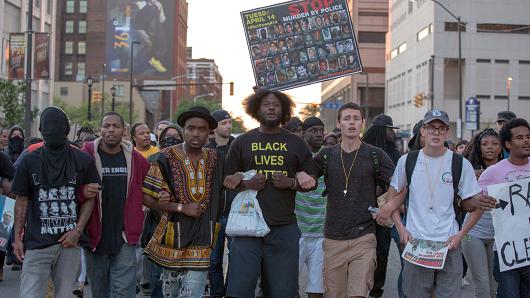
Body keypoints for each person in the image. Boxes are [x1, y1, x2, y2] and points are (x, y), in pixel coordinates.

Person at [375, 109, 497, 298]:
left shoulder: (459, 163)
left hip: (449, 245)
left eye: (441, 129)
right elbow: (392, 198)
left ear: (447, 132)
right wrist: (401, 228)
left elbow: (477, 205)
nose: (436, 133)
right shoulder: (408, 161)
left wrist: (460, 235)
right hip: (416, 243)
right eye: (431, 128)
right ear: (423, 131)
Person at [223, 90, 317, 297]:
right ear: (257, 109)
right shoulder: (242, 142)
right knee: (239, 289)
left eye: (276, 105)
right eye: (266, 104)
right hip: (246, 226)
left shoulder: (296, 143)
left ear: (284, 110)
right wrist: (247, 183)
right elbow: (226, 181)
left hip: (283, 227)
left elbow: (311, 182)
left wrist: (290, 182)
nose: (271, 108)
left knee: (283, 291)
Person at [11, 106, 101, 297]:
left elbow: (90, 198)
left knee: (65, 294)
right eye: (48, 127)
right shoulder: (29, 160)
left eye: (57, 127)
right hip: (36, 242)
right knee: (30, 294)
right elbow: (22, 200)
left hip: (70, 243)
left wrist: (77, 231)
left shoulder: (82, 160)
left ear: (66, 130)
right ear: (42, 131)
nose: (52, 131)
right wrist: (17, 237)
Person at [313, 103, 395, 298]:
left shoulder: (375, 154)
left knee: (358, 294)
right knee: (335, 294)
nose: (351, 123)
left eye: (356, 118)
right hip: (333, 237)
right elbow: (306, 176)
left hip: (364, 237)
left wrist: (389, 206)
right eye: (347, 118)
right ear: (339, 123)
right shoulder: (326, 154)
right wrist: (298, 177)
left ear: (363, 123)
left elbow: (399, 183)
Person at [143, 106, 224, 297]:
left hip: (202, 238)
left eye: (201, 129)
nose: (195, 133)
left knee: (193, 292)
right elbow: (146, 196)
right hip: (173, 239)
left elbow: (230, 180)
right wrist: (180, 207)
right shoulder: (166, 157)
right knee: (171, 292)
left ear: (209, 133)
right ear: (184, 130)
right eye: (190, 128)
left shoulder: (216, 158)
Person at [80, 112, 150, 298]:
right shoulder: (86, 155)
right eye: (106, 126)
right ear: (100, 129)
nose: (110, 130)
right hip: (95, 236)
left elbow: (151, 184)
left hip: (124, 237)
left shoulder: (134, 158)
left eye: (115, 126)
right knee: (100, 292)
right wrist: (82, 192)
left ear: (124, 131)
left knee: (124, 292)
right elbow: (72, 187)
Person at [480, 118, 530, 298]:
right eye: (519, 138)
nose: (526, 141)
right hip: (506, 252)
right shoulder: (494, 172)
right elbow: (472, 201)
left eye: (528, 136)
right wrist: (482, 202)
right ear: (508, 144)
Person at [142, 124, 184, 298]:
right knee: (157, 278)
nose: (171, 139)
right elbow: (144, 193)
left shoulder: (189, 160)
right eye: (167, 136)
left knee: (179, 279)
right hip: (156, 225)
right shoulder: (153, 159)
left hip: (183, 227)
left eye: (175, 136)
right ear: (160, 141)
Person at [460, 128, 502, 298]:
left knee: (494, 286)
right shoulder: (470, 170)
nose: (489, 147)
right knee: (482, 286)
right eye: (485, 144)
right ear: (479, 147)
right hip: (473, 234)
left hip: (499, 235)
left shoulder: (508, 169)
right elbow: (460, 202)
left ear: (502, 146)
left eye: (494, 144)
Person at [362, 114, 401, 298]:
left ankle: (376, 289)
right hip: (363, 208)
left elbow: (398, 180)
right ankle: (367, 288)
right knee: (366, 250)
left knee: (381, 251)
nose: (392, 133)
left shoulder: (394, 153)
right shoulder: (363, 149)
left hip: (385, 207)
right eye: (389, 129)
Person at [295, 117, 326, 298]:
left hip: (322, 234)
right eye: (313, 130)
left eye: (321, 130)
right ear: (303, 133)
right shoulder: (295, 156)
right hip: (297, 232)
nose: (319, 134)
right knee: (290, 284)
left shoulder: (329, 157)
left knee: (318, 287)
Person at [206, 110, 236, 298]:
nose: (228, 126)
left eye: (229, 122)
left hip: (236, 213)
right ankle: (217, 293)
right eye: (224, 123)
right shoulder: (206, 149)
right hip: (213, 214)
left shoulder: (237, 146)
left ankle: (231, 292)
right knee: (213, 260)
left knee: (236, 258)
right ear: (215, 126)